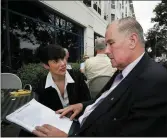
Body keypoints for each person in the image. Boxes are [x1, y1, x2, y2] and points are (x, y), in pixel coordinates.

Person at [33, 17, 167, 137]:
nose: (107, 50)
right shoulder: (123, 69)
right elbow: (104, 101)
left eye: (111, 43)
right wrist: (81, 106)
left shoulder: (155, 82)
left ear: (132, 41)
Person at [19, 45, 91, 137]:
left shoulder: (77, 77)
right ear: (46, 65)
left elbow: (89, 103)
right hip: (55, 128)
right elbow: (39, 114)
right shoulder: (41, 85)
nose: (63, 63)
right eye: (56, 61)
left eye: (63, 58)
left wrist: (79, 106)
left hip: (78, 125)